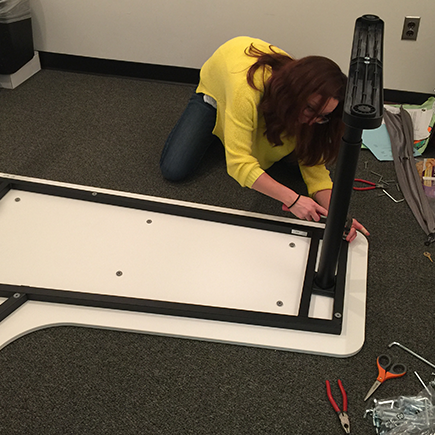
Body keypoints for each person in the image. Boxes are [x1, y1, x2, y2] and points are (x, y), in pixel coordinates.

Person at [160, 36, 369, 242]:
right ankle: (225, 125)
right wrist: (293, 199)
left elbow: (315, 170)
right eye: (310, 109)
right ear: (294, 93)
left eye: (322, 116)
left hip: (267, 103)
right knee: (174, 168)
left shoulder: (312, 111)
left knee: (294, 165)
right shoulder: (246, 90)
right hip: (218, 92)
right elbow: (238, 165)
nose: (312, 120)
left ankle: (235, 130)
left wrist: (339, 216)